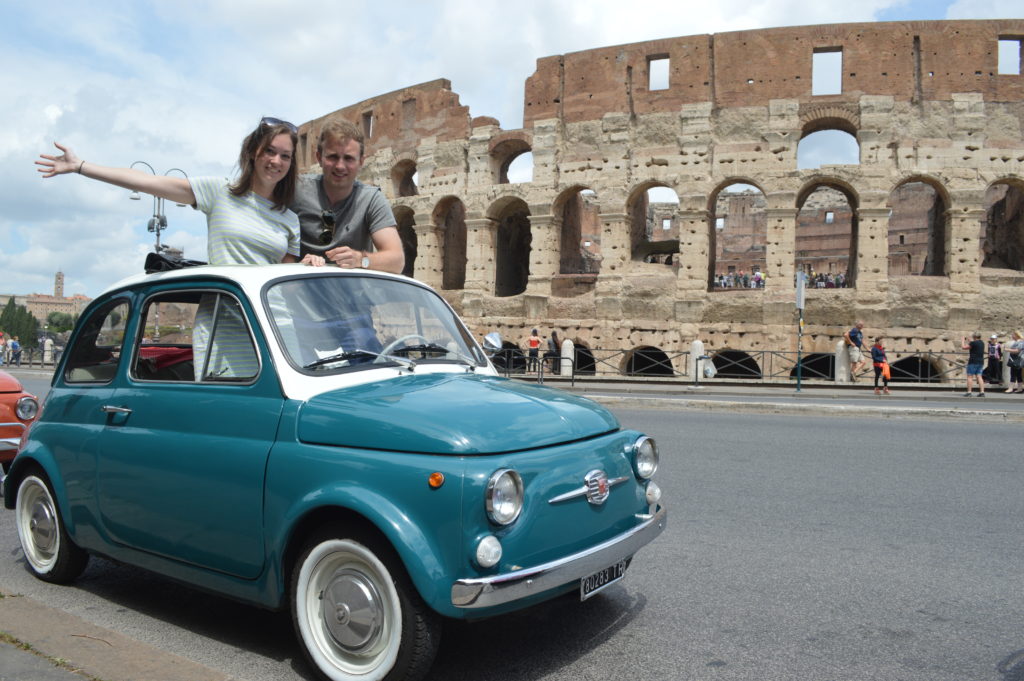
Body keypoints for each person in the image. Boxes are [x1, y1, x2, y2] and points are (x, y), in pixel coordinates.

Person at [36, 117, 320, 268]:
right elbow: (146, 181)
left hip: (274, 331)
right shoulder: (220, 192)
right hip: (223, 325)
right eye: (269, 151)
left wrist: (310, 262)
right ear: (252, 152)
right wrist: (81, 166)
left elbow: (284, 277)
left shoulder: (289, 219)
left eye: (285, 156)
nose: (276, 161)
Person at [291, 119, 404, 273]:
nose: (340, 166)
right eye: (332, 157)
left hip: (352, 292)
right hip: (300, 288)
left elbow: (397, 261)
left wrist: (360, 259)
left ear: (361, 162)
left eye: (349, 158)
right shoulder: (297, 191)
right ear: (319, 158)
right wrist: (297, 264)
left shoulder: (371, 199)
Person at [961, 331, 986, 397]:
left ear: (974, 337)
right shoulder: (982, 343)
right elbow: (974, 346)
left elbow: (963, 347)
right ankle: (982, 392)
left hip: (973, 362)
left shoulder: (973, 343)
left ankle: (969, 392)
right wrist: (970, 342)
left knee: (970, 376)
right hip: (980, 362)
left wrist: (963, 340)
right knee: (979, 376)